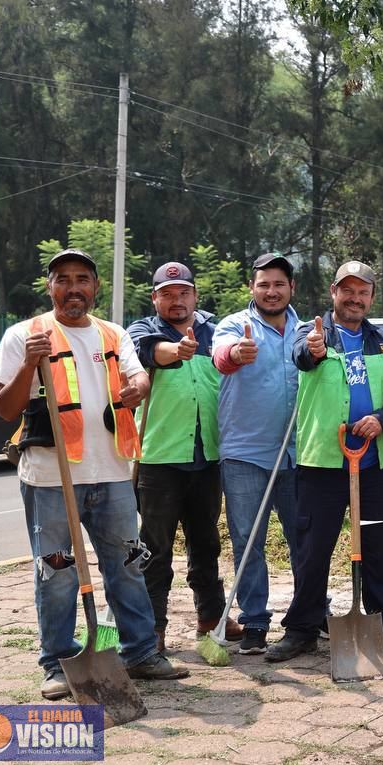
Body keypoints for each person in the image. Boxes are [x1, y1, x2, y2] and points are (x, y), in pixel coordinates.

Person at [0, 249, 189, 701]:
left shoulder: (113, 334)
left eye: (82, 279)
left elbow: (139, 381)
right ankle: (59, 661)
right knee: (57, 573)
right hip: (50, 479)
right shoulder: (24, 335)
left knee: (127, 566)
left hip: (113, 474)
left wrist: (135, 389)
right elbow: (5, 408)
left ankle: (139, 653)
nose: (73, 288)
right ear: (50, 286)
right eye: (63, 279)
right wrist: (28, 363)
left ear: (95, 287)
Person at [266, 261, 383, 661]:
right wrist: (314, 349)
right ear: (334, 291)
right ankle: (302, 628)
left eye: (363, 292)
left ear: (371, 296)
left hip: (372, 465)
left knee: (380, 546)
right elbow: (304, 356)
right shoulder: (312, 332)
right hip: (322, 463)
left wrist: (382, 420)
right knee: (312, 547)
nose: (355, 298)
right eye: (347, 290)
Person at [127, 262, 241, 653]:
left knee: (206, 542)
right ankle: (152, 628)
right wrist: (176, 350)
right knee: (155, 549)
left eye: (184, 293)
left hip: (208, 453)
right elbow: (149, 352)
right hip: (158, 458)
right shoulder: (140, 330)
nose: (177, 301)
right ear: (155, 297)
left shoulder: (215, 330)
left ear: (195, 295)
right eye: (168, 294)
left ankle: (211, 616)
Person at [212, 252, 303, 655]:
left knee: (305, 538)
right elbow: (223, 355)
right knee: (249, 541)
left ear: (291, 288)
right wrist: (236, 354)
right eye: (263, 284)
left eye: (278, 284)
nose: (271, 291)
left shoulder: (306, 330)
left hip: (300, 454)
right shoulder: (235, 325)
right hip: (246, 453)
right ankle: (254, 622)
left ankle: (307, 615)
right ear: (252, 288)